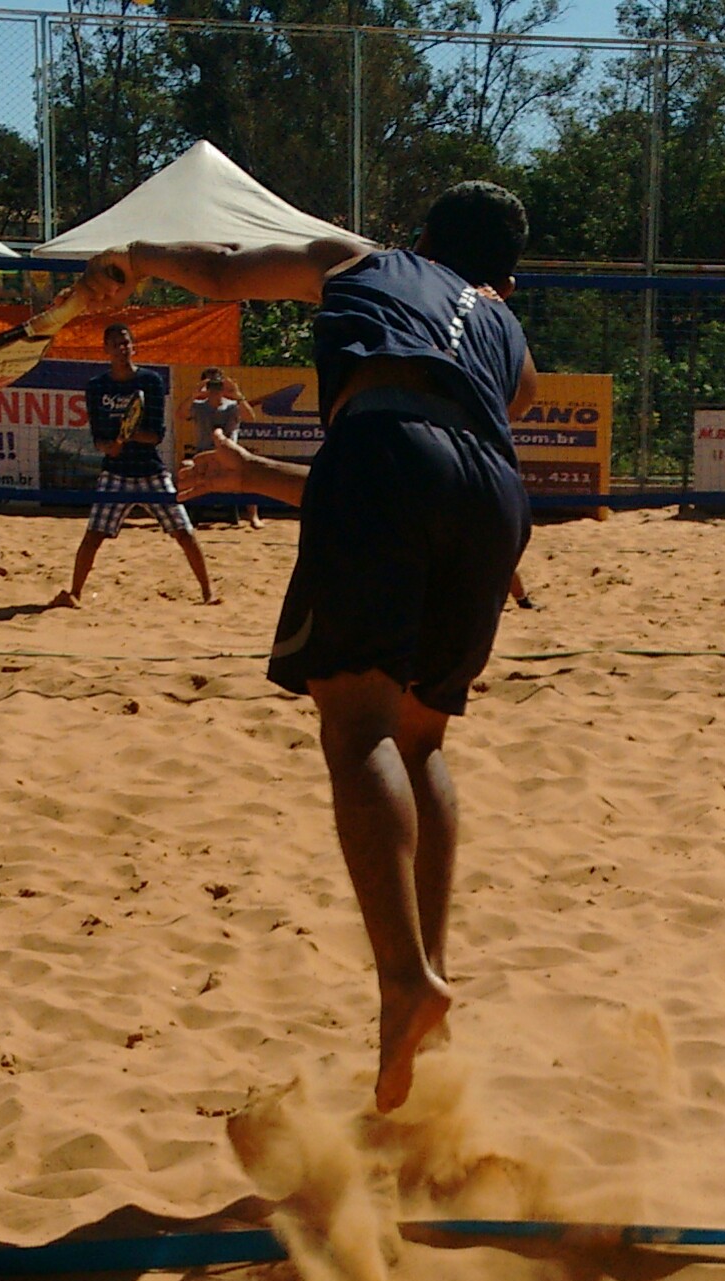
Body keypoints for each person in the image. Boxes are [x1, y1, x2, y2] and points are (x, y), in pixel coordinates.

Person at [79, 181, 537, 1113]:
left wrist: (139, 257)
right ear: (508, 276)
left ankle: (405, 980)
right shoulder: (510, 338)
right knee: (424, 738)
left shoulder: (357, 257)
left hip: (388, 459)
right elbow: (453, 436)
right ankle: (430, 973)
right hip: (497, 494)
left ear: (418, 235)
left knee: (357, 728)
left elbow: (219, 274)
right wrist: (256, 473)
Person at [51, 322, 216, 608]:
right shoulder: (96, 387)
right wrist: (111, 445)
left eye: (126, 342)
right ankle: (74, 593)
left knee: (184, 532)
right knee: (93, 536)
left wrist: (126, 437)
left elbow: (155, 435)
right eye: (115, 344)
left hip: (150, 471)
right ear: (106, 350)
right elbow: (99, 437)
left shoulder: (150, 382)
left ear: (133, 346)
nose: (122, 348)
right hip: (116, 473)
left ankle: (208, 592)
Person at [190, 368, 261, 528]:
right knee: (186, 469)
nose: (215, 387)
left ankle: (253, 517)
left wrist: (237, 394)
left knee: (251, 473)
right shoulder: (199, 406)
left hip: (230, 455)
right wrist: (195, 393)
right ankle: (190, 514)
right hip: (204, 455)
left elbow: (251, 417)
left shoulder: (233, 406)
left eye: (218, 383)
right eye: (211, 383)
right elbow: (180, 414)